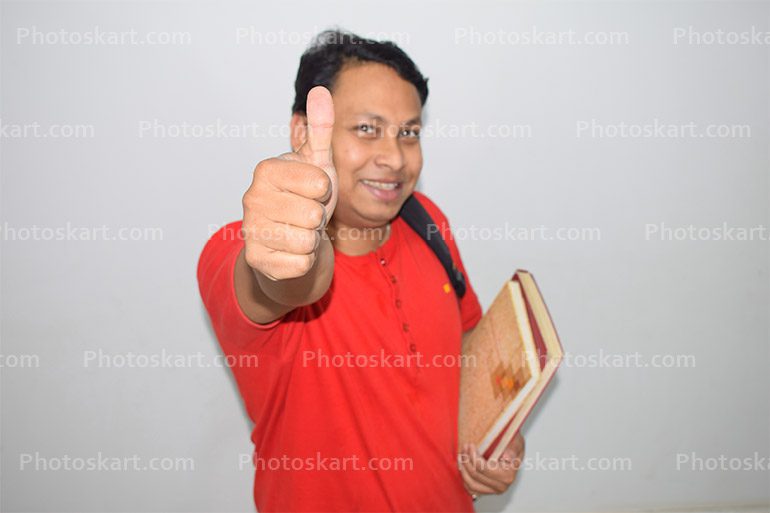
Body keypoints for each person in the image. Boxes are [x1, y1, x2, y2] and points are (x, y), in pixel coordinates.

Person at [197, 29, 525, 512]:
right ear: (304, 132)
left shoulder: (427, 218)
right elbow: (285, 280)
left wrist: (499, 433)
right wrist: (293, 247)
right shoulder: (238, 250)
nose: (394, 158)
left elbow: (470, 337)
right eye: (367, 129)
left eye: (408, 132)